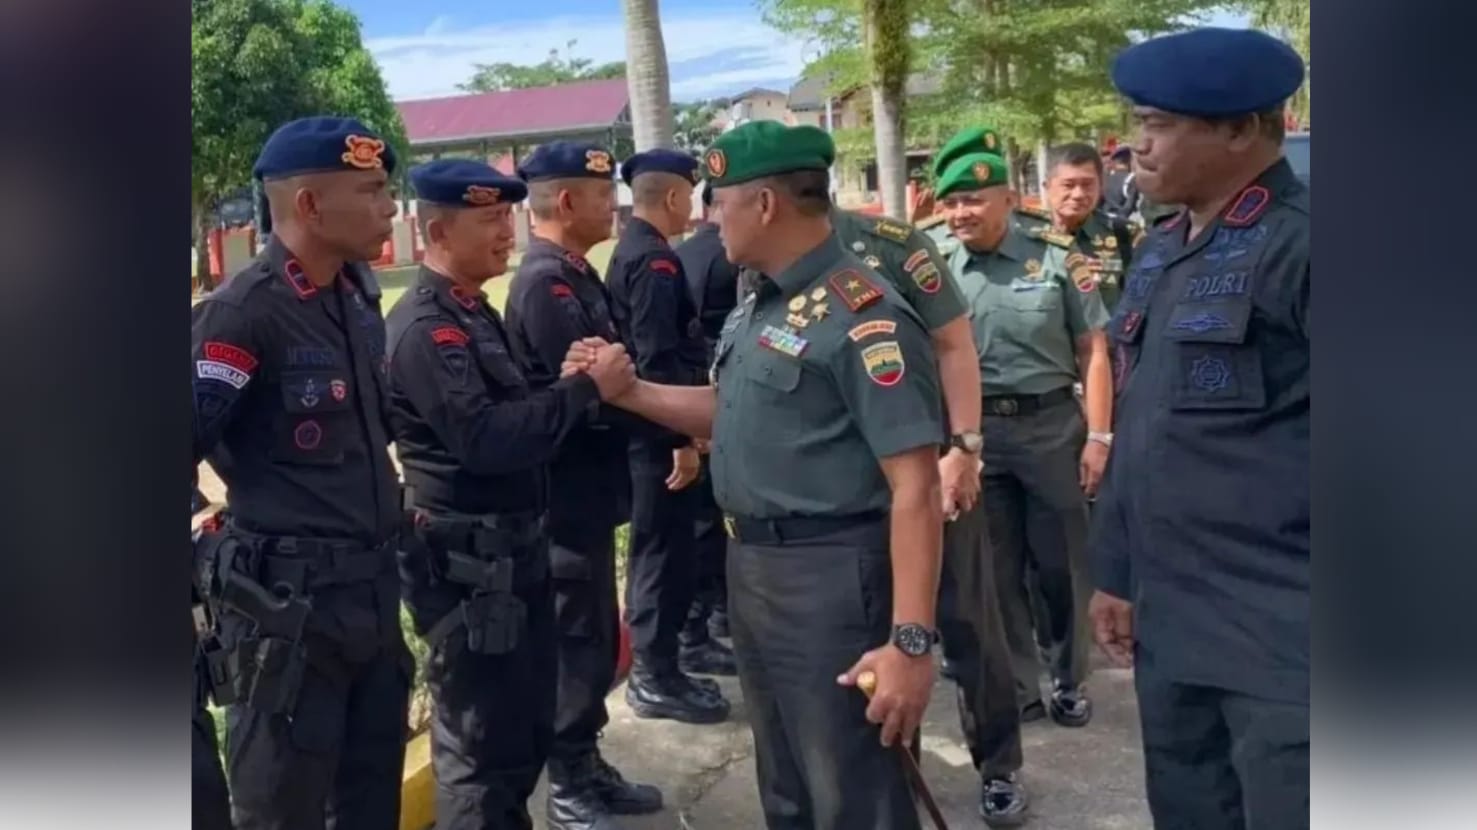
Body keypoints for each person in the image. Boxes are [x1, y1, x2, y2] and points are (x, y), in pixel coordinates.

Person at [565, 121, 944, 830]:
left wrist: (910, 642)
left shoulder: (863, 316)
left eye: (719, 201)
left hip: (832, 580)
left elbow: (917, 487)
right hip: (756, 571)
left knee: (851, 789)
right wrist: (629, 392)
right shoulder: (758, 305)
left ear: (765, 204)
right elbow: (729, 408)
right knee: (787, 785)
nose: (709, 217)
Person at [1089, 27, 1310, 830]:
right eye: (1137, 123)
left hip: (1285, 639)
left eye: (1157, 124)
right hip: (1175, 628)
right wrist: (1115, 572)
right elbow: (1145, 421)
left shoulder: (1305, 244)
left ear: (1241, 129)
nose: (1136, 146)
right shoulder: (1161, 251)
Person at [384, 159, 636, 829]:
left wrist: (565, 381)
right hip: (465, 569)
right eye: (490, 220)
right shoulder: (426, 327)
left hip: (510, 556)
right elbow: (488, 439)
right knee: (479, 748)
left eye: (507, 216)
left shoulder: (472, 312)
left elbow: (516, 405)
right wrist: (583, 390)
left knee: (520, 735)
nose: (507, 232)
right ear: (439, 231)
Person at [190, 116, 410, 829]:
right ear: (310, 205)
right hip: (289, 619)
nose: (390, 206)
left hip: (373, 603)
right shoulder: (242, 314)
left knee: (370, 802)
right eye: (371, 191)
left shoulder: (356, 301)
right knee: (282, 811)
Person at [502, 141, 663, 830]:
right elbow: (590, 395)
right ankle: (567, 780)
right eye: (602, 196)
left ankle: (585, 760)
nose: (615, 206)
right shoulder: (547, 284)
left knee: (593, 637)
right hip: (564, 500)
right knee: (574, 644)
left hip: (590, 497)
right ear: (566, 202)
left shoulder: (574, 275)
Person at [936, 148, 1113, 732]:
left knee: (1062, 565)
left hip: (1052, 430)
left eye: (973, 200)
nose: (960, 213)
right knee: (995, 568)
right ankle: (1017, 683)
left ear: (1009, 201)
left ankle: (1069, 677)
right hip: (975, 437)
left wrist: (1099, 435)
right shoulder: (936, 263)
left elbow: (1093, 350)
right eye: (952, 202)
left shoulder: (1057, 257)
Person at [605, 149, 734, 724]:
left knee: (674, 551)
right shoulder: (654, 261)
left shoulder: (637, 250)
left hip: (652, 432)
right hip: (656, 438)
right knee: (661, 554)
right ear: (677, 196)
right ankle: (653, 676)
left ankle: (674, 658)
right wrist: (679, 437)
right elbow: (657, 359)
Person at [676, 183, 738, 645]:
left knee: (700, 524)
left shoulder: (681, 254)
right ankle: (713, 619)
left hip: (685, 397)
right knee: (719, 524)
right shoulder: (734, 256)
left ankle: (702, 622)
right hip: (722, 397)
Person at [1016, 142, 1143, 312]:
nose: (1078, 194)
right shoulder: (1022, 235)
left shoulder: (1124, 234)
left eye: (1087, 184)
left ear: (1101, 186)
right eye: (1068, 185)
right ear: (1047, 187)